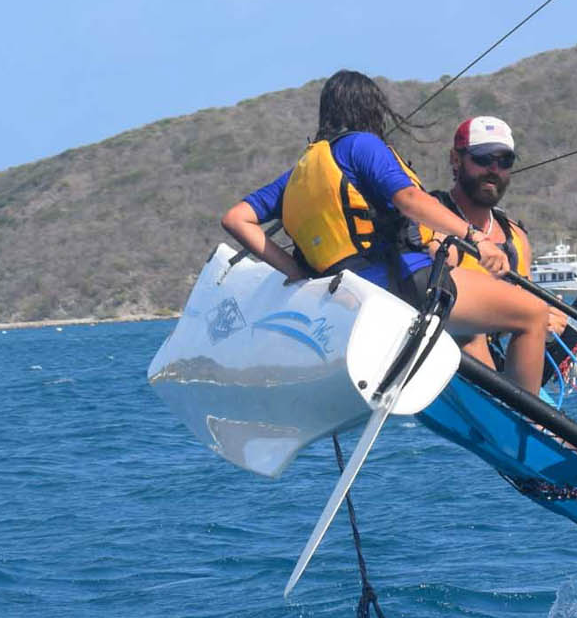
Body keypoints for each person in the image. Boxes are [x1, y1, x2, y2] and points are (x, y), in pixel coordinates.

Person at [219, 71, 551, 396]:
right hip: (406, 287)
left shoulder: (300, 173)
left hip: (353, 303)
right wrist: (475, 238)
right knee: (533, 313)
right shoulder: (361, 144)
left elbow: (236, 219)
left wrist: (298, 273)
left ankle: (503, 411)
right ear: (370, 109)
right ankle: (532, 426)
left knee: (471, 332)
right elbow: (408, 199)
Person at [435, 114, 568, 366]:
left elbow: (520, 310)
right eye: (483, 159)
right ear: (456, 159)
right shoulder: (434, 219)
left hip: (491, 367)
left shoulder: (515, 236)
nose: (494, 170)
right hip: (440, 361)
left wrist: (549, 324)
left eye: (504, 161)